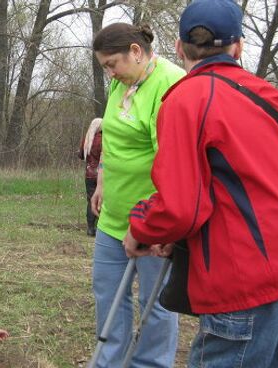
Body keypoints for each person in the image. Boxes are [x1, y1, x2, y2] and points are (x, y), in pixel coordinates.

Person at [123, 1, 278, 367]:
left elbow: (180, 207)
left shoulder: (185, 99)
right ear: (238, 47)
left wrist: (142, 227)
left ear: (178, 48)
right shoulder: (271, 97)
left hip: (247, 272)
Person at [89, 22, 184, 367]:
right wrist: (101, 180)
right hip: (113, 217)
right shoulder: (121, 81)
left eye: (112, 64)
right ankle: (110, 361)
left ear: (135, 51)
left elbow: (172, 163)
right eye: (105, 68)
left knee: (155, 304)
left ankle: (151, 363)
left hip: (151, 220)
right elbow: (111, 140)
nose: (110, 73)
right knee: (108, 295)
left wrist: (151, 224)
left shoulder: (170, 84)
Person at [77, 118, 102, 236]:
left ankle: (90, 228)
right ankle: (100, 227)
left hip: (89, 174)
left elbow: (81, 155)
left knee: (90, 200)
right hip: (102, 174)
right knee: (102, 200)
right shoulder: (105, 138)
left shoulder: (87, 139)